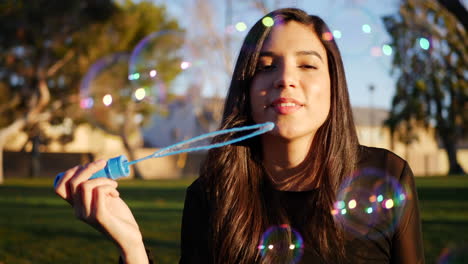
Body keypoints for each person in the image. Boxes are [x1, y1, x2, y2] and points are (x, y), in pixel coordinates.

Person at [54, 8, 424, 264]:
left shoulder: (387, 174)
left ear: (334, 86)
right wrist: (132, 245)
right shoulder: (212, 195)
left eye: (308, 64)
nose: (285, 78)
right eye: (266, 67)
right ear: (246, 89)